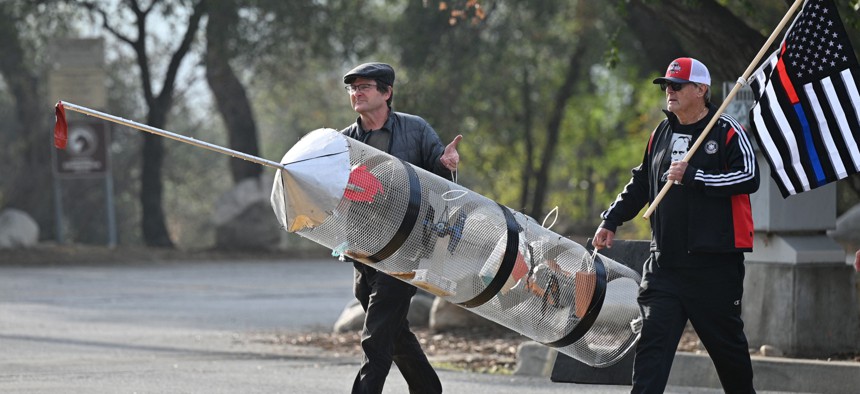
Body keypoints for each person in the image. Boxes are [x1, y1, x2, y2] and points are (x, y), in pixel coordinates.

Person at [592, 57, 759, 394]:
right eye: (666, 85)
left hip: (714, 268)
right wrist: (611, 219)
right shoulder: (662, 132)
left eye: (677, 85)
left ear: (701, 90)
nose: (669, 91)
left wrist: (695, 176)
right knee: (651, 350)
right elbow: (641, 181)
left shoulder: (726, 130)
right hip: (664, 266)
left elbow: (750, 177)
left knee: (730, 357)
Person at [340, 62, 461, 394]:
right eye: (352, 88)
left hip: (405, 250)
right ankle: (428, 389)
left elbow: (442, 179)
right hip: (362, 252)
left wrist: (447, 164)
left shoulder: (415, 129)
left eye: (365, 86)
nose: (357, 93)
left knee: (376, 336)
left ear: (386, 92)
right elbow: (332, 194)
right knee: (393, 331)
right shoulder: (344, 142)